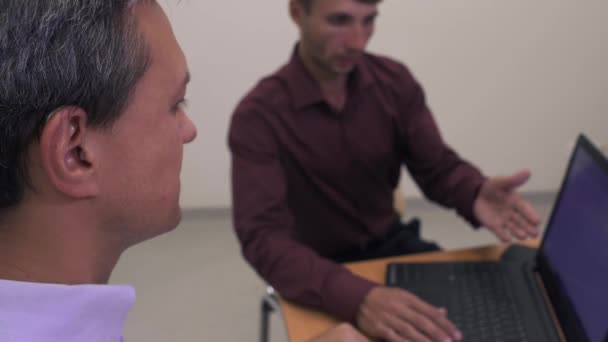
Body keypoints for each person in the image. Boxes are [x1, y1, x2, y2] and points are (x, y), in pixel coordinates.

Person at [228, 0, 542, 341]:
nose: (358, 42)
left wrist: (474, 191)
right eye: (340, 21)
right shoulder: (258, 117)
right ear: (296, 13)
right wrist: (357, 297)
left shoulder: (394, 83)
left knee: (497, 314)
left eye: (369, 21)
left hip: (393, 246)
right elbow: (263, 238)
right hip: (315, 269)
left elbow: (436, 167)